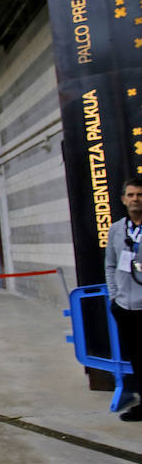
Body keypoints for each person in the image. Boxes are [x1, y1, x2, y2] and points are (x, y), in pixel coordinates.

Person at [105, 177, 142, 422]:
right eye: (130, 195)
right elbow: (109, 264)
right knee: (137, 358)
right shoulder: (117, 229)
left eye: (139, 194)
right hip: (124, 307)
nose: (135, 199)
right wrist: (114, 296)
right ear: (123, 199)